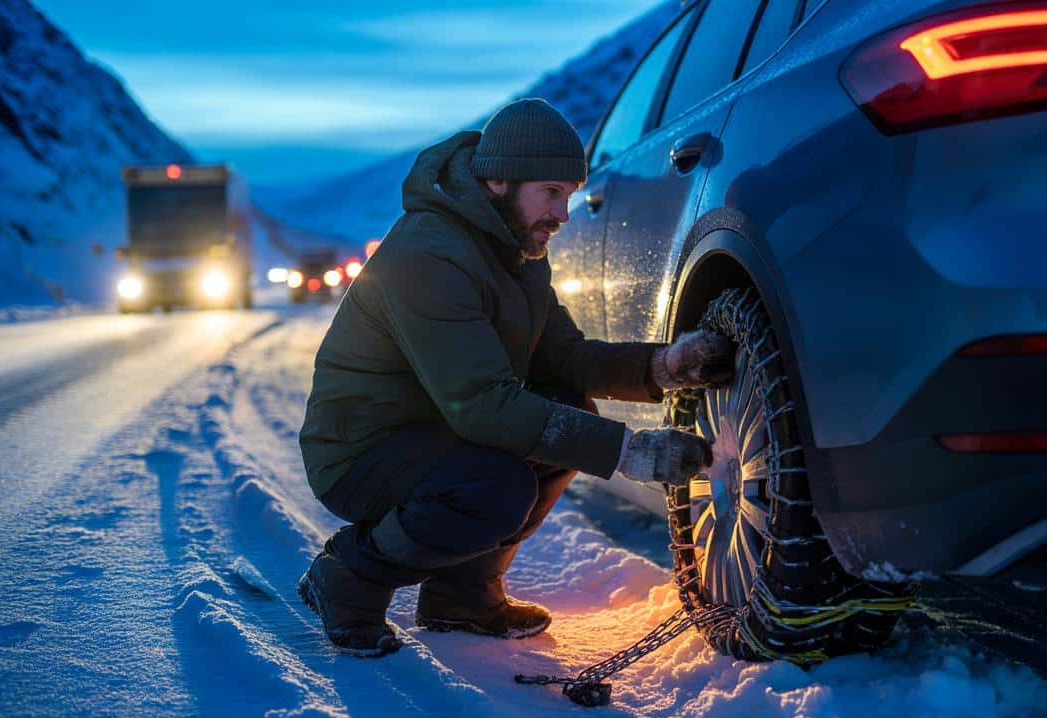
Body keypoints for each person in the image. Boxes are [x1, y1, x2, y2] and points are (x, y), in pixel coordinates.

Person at [296, 98, 735, 657]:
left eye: (569, 195)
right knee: (498, 489)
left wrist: (664, 365)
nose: (564, 213)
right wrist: (630, 453)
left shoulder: (516, 251)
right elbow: (481, 404)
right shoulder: (430, 254)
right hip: (362, 447)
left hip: (433, 429)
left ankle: (462, 594)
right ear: (499, 181)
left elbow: (566, 357)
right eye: (551, 193)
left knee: (567, 409)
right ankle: (349, 576)